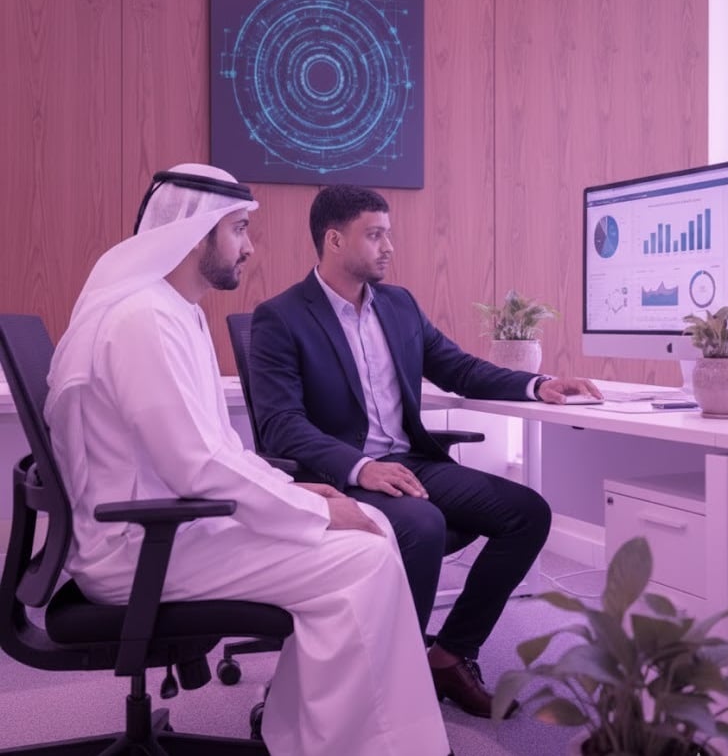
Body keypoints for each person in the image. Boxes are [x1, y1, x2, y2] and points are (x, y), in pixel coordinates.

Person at [45, 165, 452, 756]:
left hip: (165, 522)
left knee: (374, 530)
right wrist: (310, 512)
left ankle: (305, 734)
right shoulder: (143, 318)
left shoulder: (169, 309)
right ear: (197, 231)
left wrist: (305, 495)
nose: (248, 247)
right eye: (237, 229)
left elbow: (216, 450)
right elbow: (197, 465)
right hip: (140, 546)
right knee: (363, 557)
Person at [249, 183, 602, 720]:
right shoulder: (282, 317)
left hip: (410, 462)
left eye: (389, 234)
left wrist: (537, 384)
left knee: (527, 513)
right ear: (335, 240)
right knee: (422, 524)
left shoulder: (399, 305)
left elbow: (459, 369)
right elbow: (280, 426)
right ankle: (393, 686)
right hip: (339, 476)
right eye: (375, 235)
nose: (389, 246)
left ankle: (448, 655)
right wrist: (361, 467)